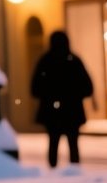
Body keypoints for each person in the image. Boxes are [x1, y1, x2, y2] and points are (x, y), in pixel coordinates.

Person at [32, 30, 94, 168]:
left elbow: (35, 89)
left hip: (52, 112)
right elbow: (88, 88)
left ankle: (53, 171)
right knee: (73, 145)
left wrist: (50, 96)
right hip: (72, 111)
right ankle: (74, 172)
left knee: (53, 143)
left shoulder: (46, 61)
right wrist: (73, 96)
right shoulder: (73, 61)